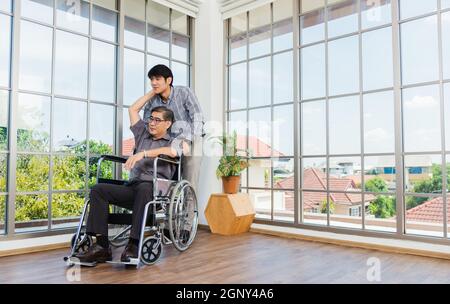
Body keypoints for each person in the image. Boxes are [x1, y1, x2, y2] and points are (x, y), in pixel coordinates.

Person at [74, 105, 182, 265]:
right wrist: (155, 88)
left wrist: (143, 153)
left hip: (154, 194)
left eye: (157, 120)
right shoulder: (142, 136)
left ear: (168, 124)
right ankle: (102, 247)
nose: (152, 123)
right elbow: (132, 110)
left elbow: (174, 152)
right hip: (132, 188)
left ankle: (133, 244)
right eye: (151, 118)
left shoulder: (174, 141)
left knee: (146, 187)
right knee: (98, 190)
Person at [142, 64, 204, 193]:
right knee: (167, 180)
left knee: (189, 180)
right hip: (168, 143)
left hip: (191, 138)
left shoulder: (184, 92)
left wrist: (186, 140)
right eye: (151, 79)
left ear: (168, 80)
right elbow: (146, 123)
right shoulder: (153, 101)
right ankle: (167, 210)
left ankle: (189, 213)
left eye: (157, 79)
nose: (153, 83)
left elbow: (198, 118)